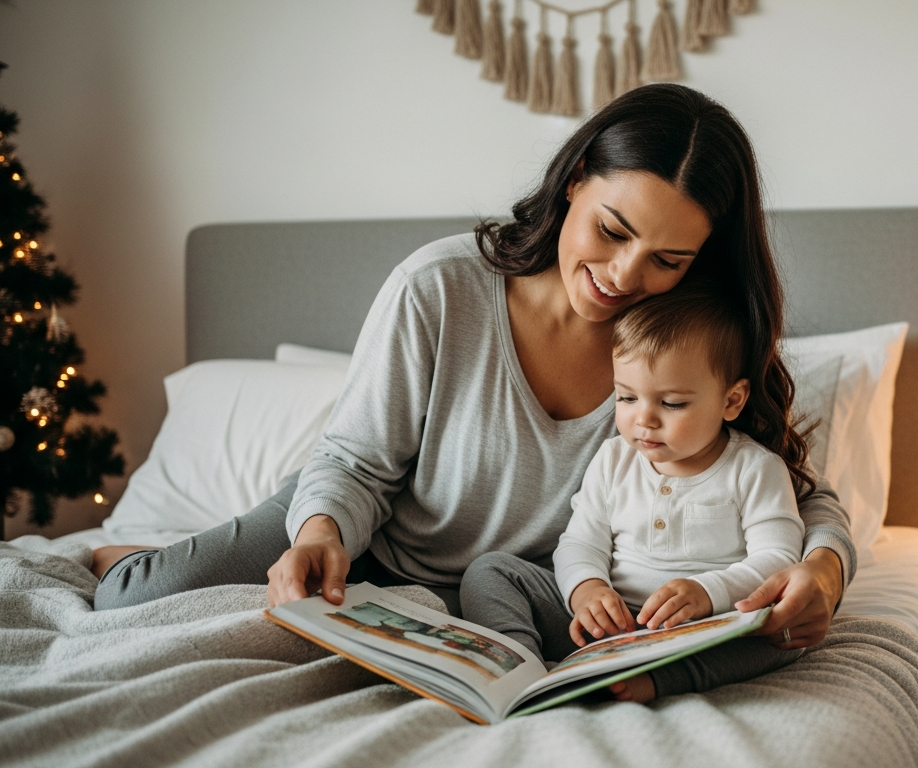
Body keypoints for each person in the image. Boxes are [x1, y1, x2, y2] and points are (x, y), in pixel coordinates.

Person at [92, 84, 854, 682]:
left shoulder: (685, 347)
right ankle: (123, 549)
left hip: (499, 593)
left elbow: (791, 489)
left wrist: (822, 568)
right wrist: (320, 532)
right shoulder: (440, 288)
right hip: (357, 532)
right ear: (576, 179)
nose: (626, 276)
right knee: (129, 603)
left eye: (669, 260)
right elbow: (356, 463)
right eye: (613, 231)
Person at [462, 282, 806, 703]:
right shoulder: (613, 459)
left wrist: (708, 593)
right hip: (613, 619)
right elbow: (581, 540)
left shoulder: (754, 468)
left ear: (731, 400)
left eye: (673, 404)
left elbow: (779, 561)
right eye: (626, 397)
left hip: (705, 627)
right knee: (490, 572)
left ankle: (661, 680)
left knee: (783, 635)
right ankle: (523, 669)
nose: (643, 420)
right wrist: (587, 589)